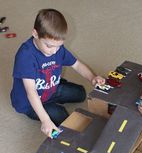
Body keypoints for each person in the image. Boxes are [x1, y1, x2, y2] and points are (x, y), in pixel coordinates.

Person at [10, 9, 105, 138]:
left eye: (58, 46)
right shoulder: (25, 55)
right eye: (49, 46)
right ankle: (49, 107)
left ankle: (57, 86)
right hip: (30, 102)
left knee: (81, 93)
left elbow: (76, 64)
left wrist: (92, 77)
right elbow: (31, 91)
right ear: (35, 34)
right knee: (61, 115)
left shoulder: (56, 49)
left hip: (50, 89)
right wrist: (45, 120)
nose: (54, 51)